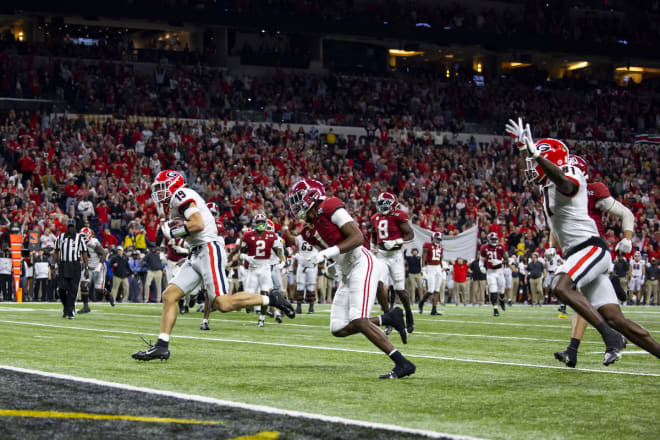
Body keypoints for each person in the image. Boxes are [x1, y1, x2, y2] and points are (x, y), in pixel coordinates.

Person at [506, 117, 660, 365]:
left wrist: (535, 154)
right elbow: (531, 177)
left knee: (560, 286)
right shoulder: (545, 183)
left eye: (540, 159)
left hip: (590, 248)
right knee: (615, 317)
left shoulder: (570, 172)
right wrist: (525, 149)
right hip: (580, 252)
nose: (535, 168)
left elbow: (564, 183)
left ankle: (610, 338)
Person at [132, 170, 294, 361]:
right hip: (196, 252)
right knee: (169, 295)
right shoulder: (175, 203)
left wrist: (173, 233)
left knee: (223, 303)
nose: (159, 193)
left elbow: (198, 224)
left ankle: (271, 299)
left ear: (174, 185)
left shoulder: (181, 195)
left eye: (161, 188)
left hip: (208, 249)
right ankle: (161, 346)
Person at [286, 178, 415, 379]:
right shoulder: (309, 230)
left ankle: (403, 363)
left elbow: (357, 238)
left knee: (358, 318)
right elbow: (332, 250)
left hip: (361, 263)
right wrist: (331, 264)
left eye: (297, 200)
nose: (295, 206)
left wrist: (327, 254)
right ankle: (387, 318)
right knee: (338, 328)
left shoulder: (329, 205)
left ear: (311, 195)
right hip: (346, 272)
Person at [552, 154, 637, 366]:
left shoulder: (592, 190)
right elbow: (555, 224)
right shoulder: (557, 192)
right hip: (577, 254)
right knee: (609, 313)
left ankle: (579, 348)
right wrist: (550, 246)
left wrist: (627, 238)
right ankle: (615, 337)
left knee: (580, 299)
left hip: (593, 253)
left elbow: (626, 214)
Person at [370, 192, 415, 333]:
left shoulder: (399, 215)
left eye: (385, 204)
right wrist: (372, 247)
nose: (382, 207)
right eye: (380, 203)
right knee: (378, 286)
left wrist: (395, 241)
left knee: (400, 290)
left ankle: (409, 315)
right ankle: (388, 317)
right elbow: (373, 233)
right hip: (382, 256)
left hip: (395, 255)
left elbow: (410, 234)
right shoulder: (375, 217)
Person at [233, 213, 285, 327]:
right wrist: (246, 257)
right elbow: (242, 252)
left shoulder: (272, 235)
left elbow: (278, 251)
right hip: (252, 268)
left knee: (265, 293)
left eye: (262, 222)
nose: (261, 224)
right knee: (250, 294)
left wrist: (280, 253)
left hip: (265, 267)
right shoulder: (248, 235)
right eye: (258, 222)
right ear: (255, 224)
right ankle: (251, 308)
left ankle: (262, 319)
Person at [53, 218, 88, 319]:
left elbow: (84, 253)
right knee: (61, 289)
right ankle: (66, 308)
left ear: (75, 227)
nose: (71, 229)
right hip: (63, 265)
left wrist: (86, 268)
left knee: (73, 290)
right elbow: (56, 251)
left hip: (75, 265)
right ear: (66, 227)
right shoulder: (60, 238)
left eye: (72, 227)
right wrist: (52, 265)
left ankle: (70, 311)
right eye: (69, 226)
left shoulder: (79, 238)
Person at [78, 227, 109, 312]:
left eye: (84, 236)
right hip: (88, 266)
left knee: (99, 290)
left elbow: (104, 253)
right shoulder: (80, 243)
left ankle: (108, 295)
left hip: (98, 266)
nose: (82, 237)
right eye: (81, 235)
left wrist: (99, 265)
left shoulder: (93, 242)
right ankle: (86, 307)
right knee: (83, 284)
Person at [479, 232, 509, 316]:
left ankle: (502, 300)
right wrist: (481, 266)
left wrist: (500, 261)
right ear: (488, 240)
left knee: (502, 289)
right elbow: (481, 259)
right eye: (492, 239)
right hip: (490, 272)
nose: (494, 241)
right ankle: (495, 309)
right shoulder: (484, 247)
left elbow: (507, 260)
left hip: (499, 271)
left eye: (495, 239)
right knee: (493, 290)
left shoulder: (500, 247)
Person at [419, 232, 445, 315]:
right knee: (430, 290)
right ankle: (421, 302)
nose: (438, 241)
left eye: (439, 239)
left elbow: (440, 259)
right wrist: (423, 269)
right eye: (437, 239)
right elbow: (423, 257)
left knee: (437, 290)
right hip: (430, 267)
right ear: (433, 238)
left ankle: (434, 309)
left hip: (438, 268)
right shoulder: (427, 245)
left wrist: (442, 268)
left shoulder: (441, 248)